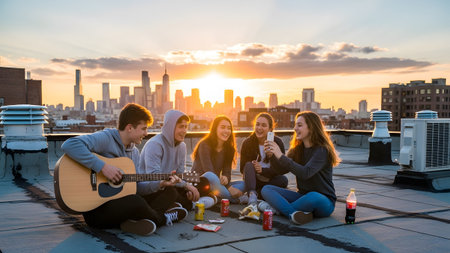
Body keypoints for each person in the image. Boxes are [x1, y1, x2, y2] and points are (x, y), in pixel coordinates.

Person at [61, 103, 184, 236]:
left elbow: (136, 188)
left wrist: (160, 184)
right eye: (143, 129)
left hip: (121, 205)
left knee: (169, 191)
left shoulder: (134, 152)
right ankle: (162, 219)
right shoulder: (106, 138)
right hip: (96, 211)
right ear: (130, 128)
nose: (146, 133)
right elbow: (70, 144)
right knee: (136, 201)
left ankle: (133, 221)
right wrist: (103, 167)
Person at [261, 111, 340, 225]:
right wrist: (272, 156)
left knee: (313, 196)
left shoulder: (322, 150)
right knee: (267, 189)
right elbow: (281, 170)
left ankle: (277, 210)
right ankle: (293, 214)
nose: (295, 128)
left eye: (299, 125)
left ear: (311, 128)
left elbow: (305, 173)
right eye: (295, 125)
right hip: (302, 197)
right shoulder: (298, 149)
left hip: (323, 201)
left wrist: (280, 155)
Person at [139, 110, 200, 211]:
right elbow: (155, 177)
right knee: (171, 192)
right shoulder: (154, 144)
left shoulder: (182, 146)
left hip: (171, 184)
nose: (184, 131)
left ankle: (179, 205)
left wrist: (187, 186)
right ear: (170, 127)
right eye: (181, 126)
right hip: (151, 189)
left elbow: (180, 174)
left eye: (186, 127)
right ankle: (187, 205)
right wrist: (186, 186)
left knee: (203, 181)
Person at [238, 112, 288, 205]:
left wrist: (263, 170)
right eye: (257, 124)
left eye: (264, 125)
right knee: (248, 165)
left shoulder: (277, 142)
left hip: (270, 180)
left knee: (283, 180)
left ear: (270, 129)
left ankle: (253, 196)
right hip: (254, 180)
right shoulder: (247, 143)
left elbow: (281, 169)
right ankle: (253, 194)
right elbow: (242, 169)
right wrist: (255, 170)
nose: (259, 128)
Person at [191, 115, 242, 203]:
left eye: (229, 128)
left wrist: (226, 178)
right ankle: (236, 199)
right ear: (215, 129)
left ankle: (220, 196)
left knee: (243, 184)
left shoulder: (229, 149)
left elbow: (227, 173)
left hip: (217, 185)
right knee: (210, 175)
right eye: (222, 127)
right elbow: (209, 172)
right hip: (200, 182)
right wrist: (229, 188)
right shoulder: (204, 145)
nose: (226, 131)